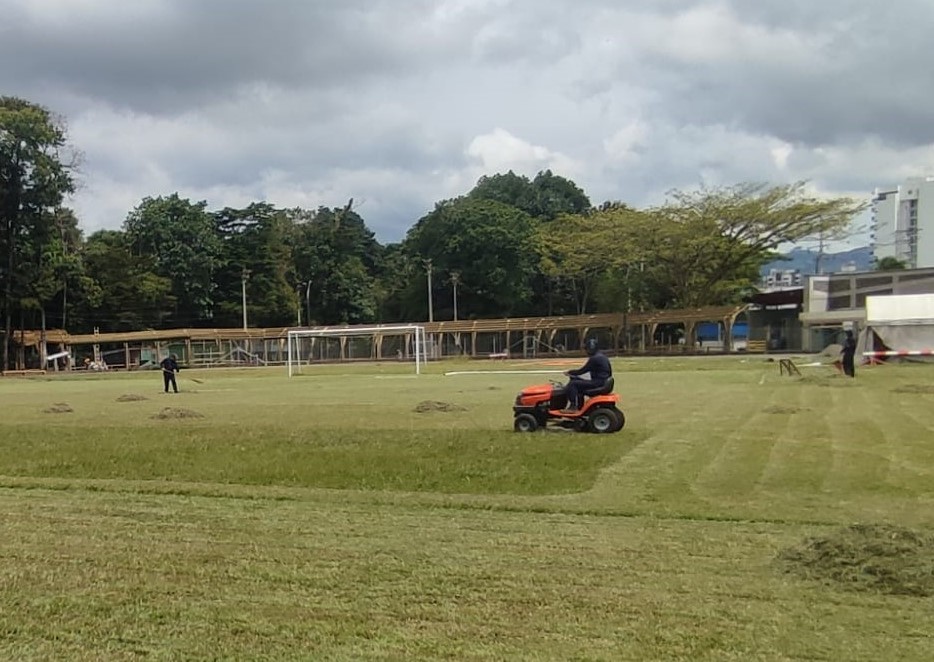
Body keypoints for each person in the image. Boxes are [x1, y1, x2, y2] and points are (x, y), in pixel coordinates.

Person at [561, 338, 612, 413]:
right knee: (576, 380)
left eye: (587, 349)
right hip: (602, 381)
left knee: (572, 384)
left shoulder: (594, 359)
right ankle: (580, 406)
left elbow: (582, 371)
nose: (586, 351)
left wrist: (570, 372)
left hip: (598, 383)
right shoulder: (602, 357)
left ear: (591, 349)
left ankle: (573, 406)